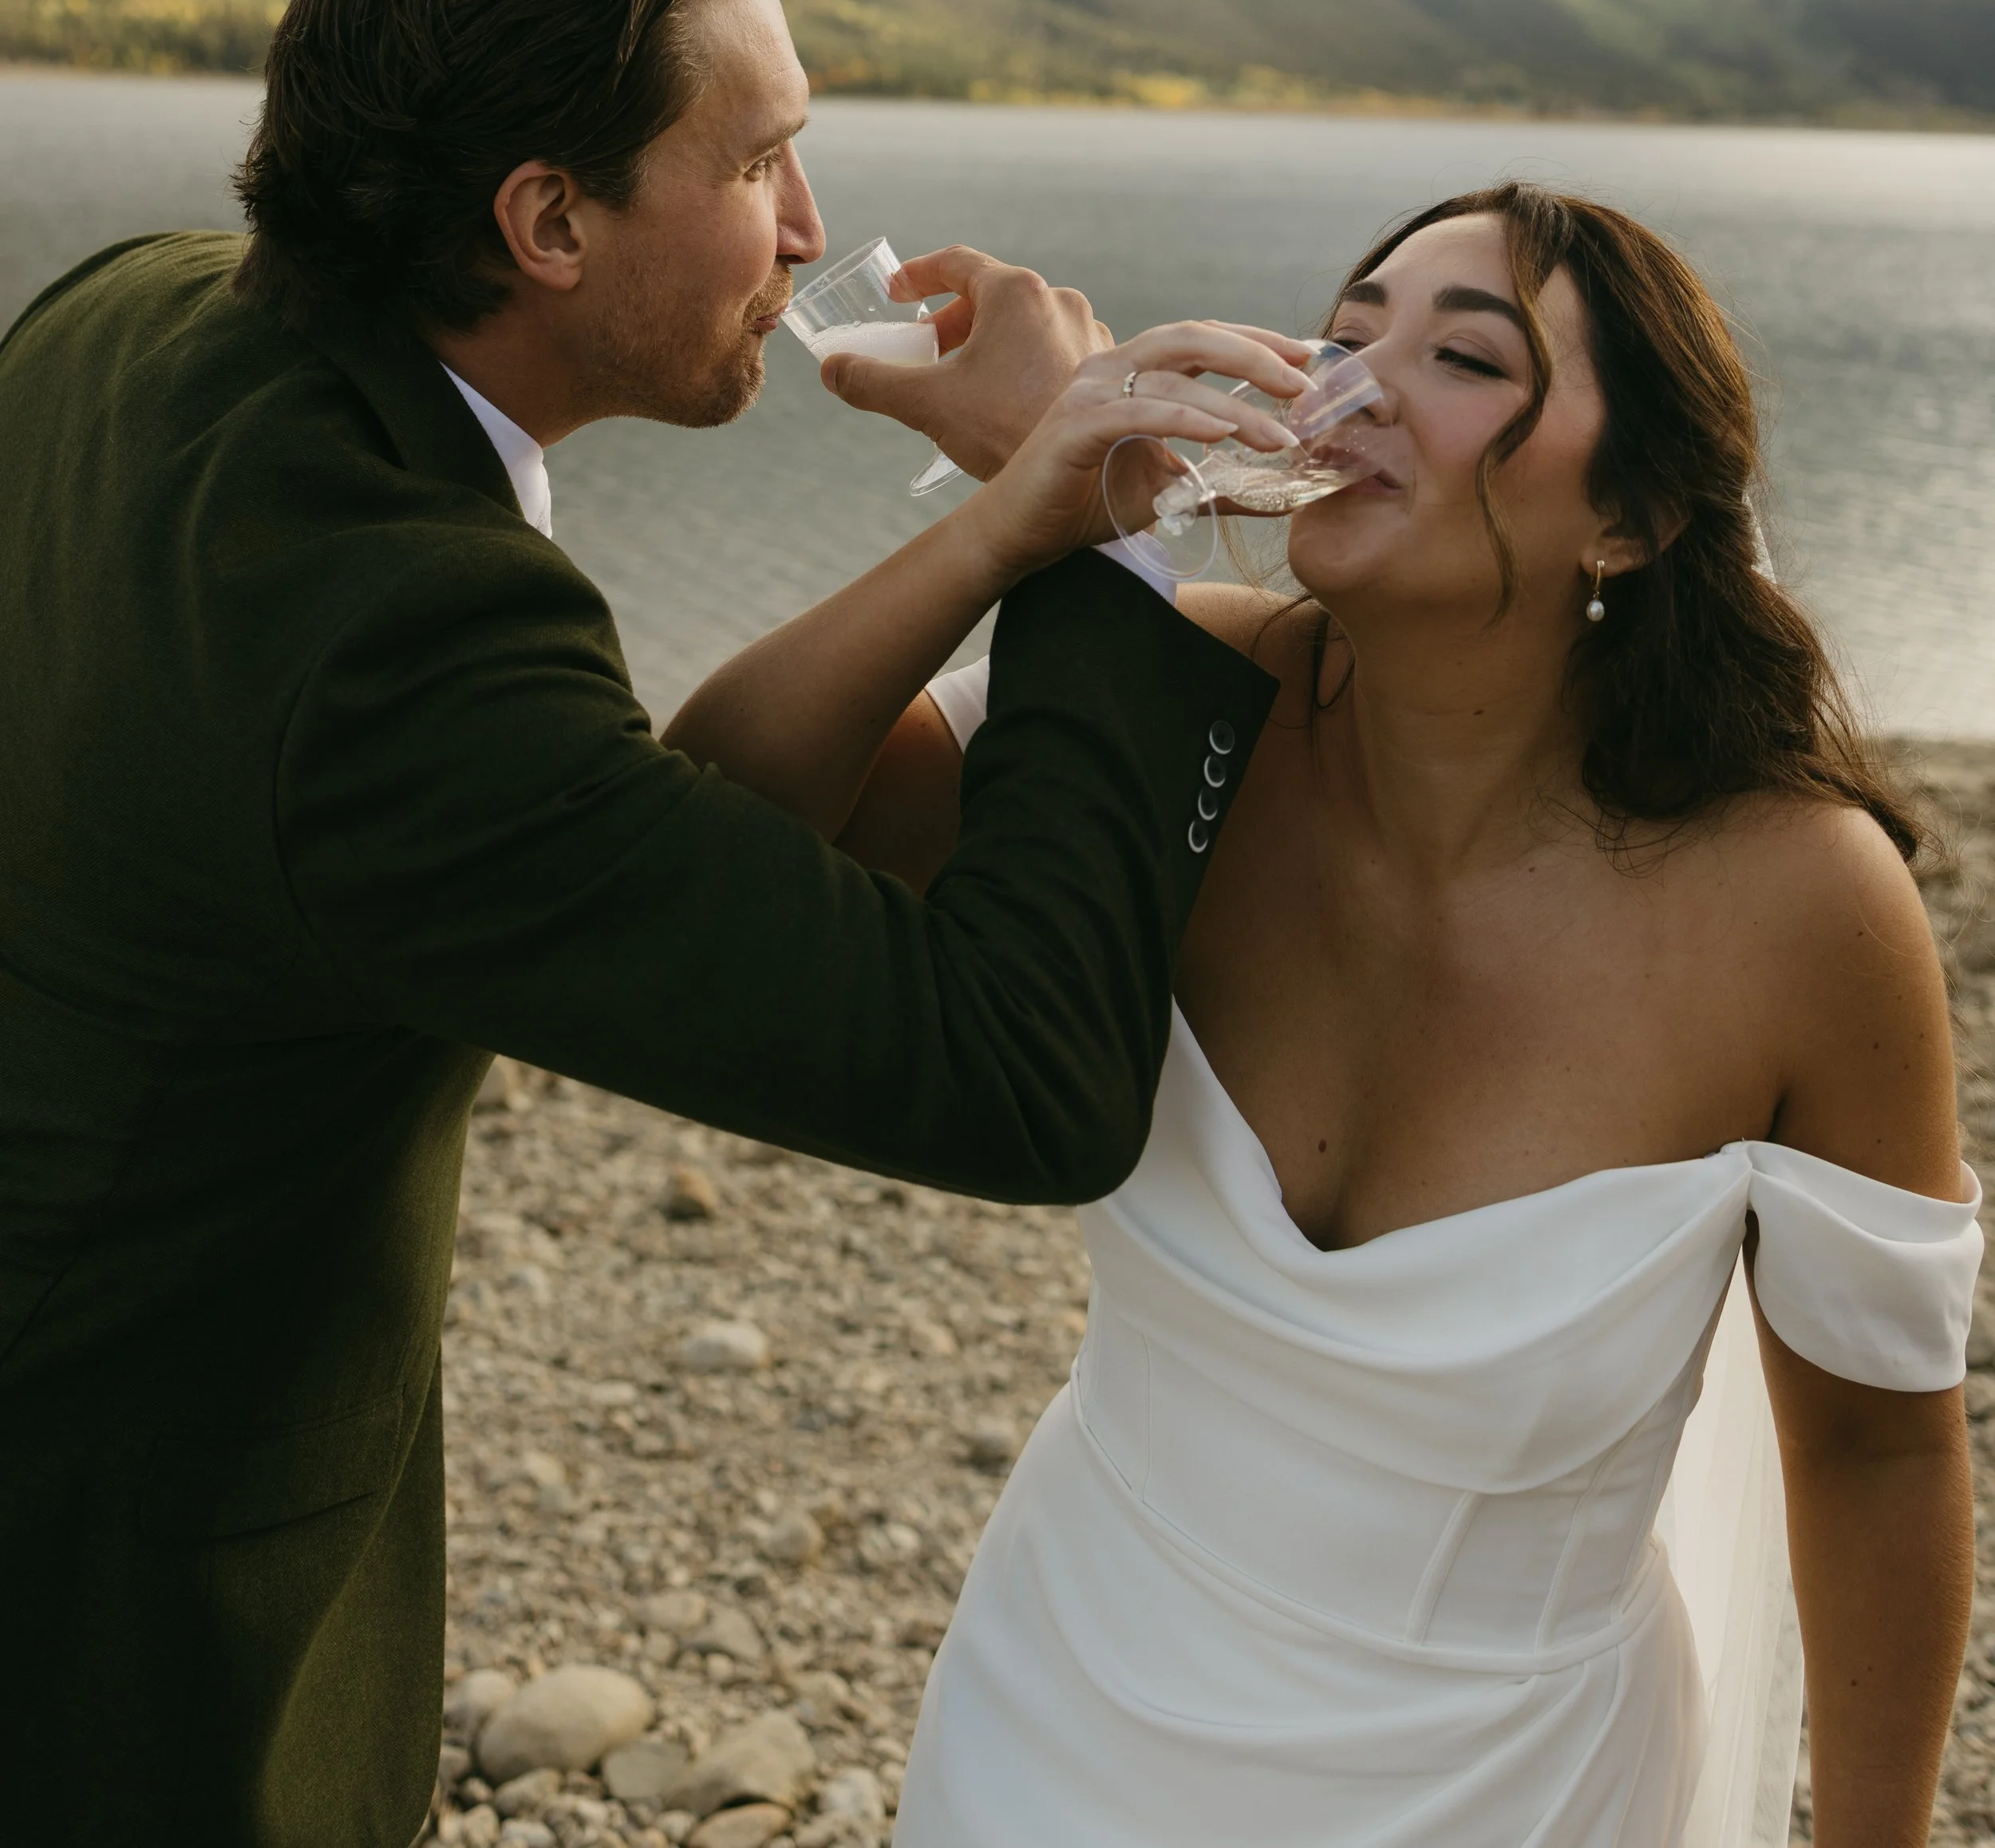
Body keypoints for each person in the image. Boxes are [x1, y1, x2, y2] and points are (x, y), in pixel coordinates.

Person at [0, 0, 1305, 1848]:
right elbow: (1020, 1078)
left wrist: (1001, 512)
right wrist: (1107, 554)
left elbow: (648, 828)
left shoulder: (139, 319)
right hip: (109, 1607)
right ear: (546, 220)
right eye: (755, 157)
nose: (808, 225)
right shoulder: (402, 651)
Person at [692, 182, 1983, 1848]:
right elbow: (723, 822)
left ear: (1634, 516)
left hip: (1513, 1787)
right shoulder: (1177, 706)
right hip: (1059, 1720)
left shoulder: (1798, 905)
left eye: (1460, 354)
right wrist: (1022, 515)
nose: (1352, 384)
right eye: (1346, 327)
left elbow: (1878, 1452)